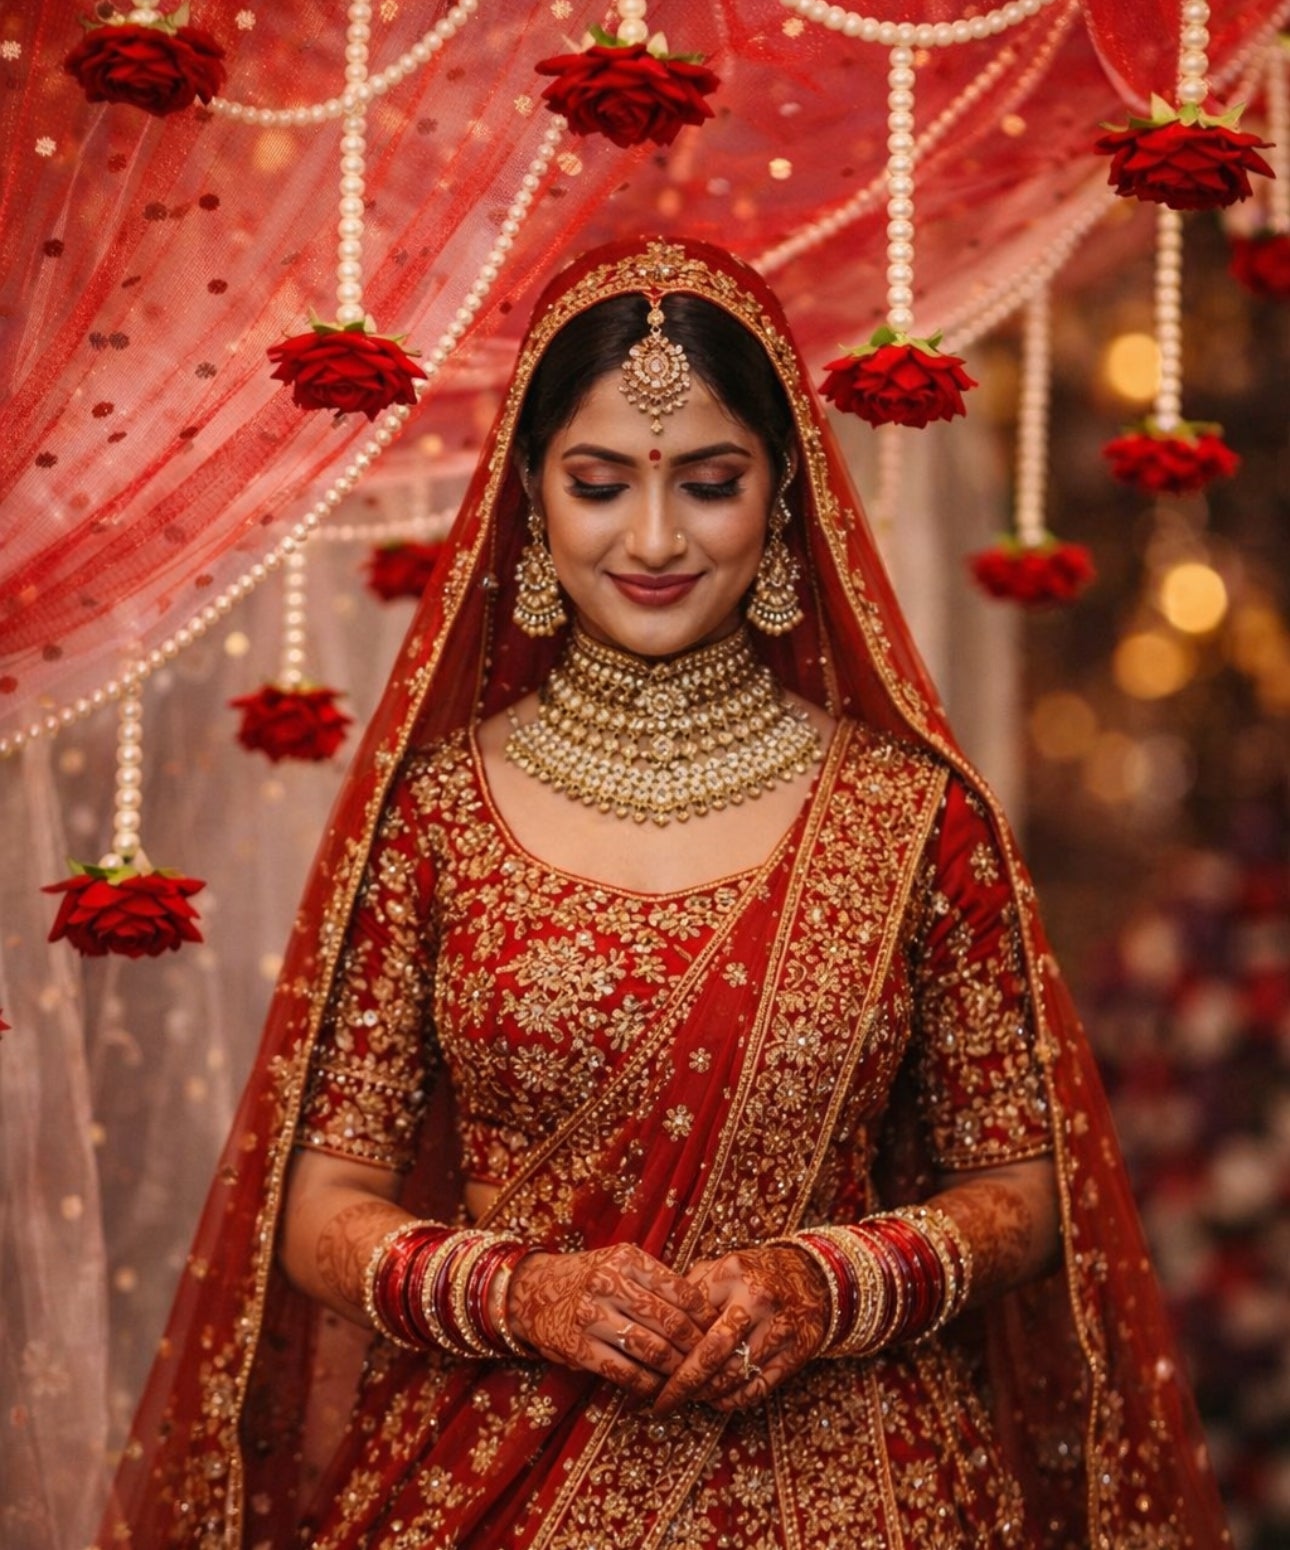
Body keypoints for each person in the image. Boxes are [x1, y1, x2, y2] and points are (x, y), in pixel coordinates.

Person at [97, 238, 1230, 1549]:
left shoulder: (912, 817)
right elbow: (318, 1203)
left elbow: (1029, 1189)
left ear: (782, 494)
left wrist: (826, 1279)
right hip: (497, 1474)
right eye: (597, 483)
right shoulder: (435, 818)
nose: (650, 538)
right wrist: (521, 1296)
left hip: (854, 1483)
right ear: (529, 494)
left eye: (706, 482)